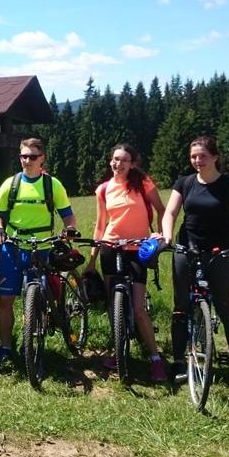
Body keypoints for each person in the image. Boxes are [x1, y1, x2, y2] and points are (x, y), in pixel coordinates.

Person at [161, 135, 229, 391]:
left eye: (202, 156)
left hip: (219, 251)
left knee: (226, 308)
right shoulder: (185, 183)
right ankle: (179, 361)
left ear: (215, 157)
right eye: (193, 156)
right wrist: (167, 236)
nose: (197, 161)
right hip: (186, 248)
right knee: (180, 305)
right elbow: (170, 213)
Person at [0, 138, 78, 366]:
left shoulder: (52, 185)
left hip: (43, 247)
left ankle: (33, 337)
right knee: (6, 300)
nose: (27, 161)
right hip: (13, 246)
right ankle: (6, 347)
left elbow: (67, 214)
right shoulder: (11, 184)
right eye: (23, 156)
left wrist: (69, 229)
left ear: (42, 159)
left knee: (39, 297)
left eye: (32, 157)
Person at [86, 144, 167, 382]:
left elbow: (162, 210)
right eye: (114, 159)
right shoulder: (103, 190)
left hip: (138, 249)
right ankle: (118, 350)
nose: (117, 164)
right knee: (114, 304)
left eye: (123, 160)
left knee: (139, 308)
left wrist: (160, 235)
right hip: (110, 247)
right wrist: (92, 260)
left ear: (132, 163)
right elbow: (100, 225)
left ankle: (155, 359)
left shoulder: (143, 184)